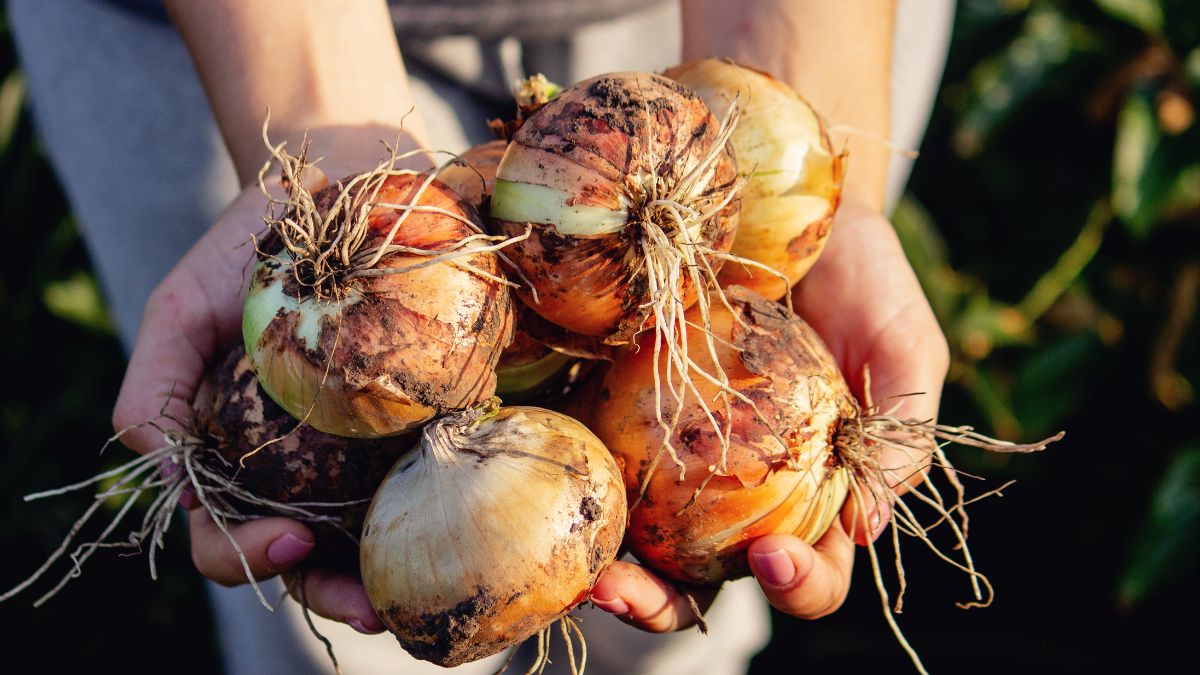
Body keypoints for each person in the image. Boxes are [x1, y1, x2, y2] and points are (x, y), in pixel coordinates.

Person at [10, 0, 953, 672]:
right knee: (321, 632)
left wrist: (829, 191)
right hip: (231, 32)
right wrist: (322, 151)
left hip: (682, 46)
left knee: (666, 639)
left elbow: (747, 164)